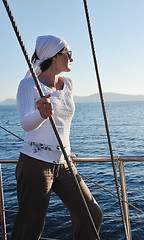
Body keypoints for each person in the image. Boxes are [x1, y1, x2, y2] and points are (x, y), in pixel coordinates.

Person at [11, 35, 103, 240]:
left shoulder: (68, 84)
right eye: (68, 54)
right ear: (54, 57)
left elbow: (64, 124)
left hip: (64, 163)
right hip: (35, 163)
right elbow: (26, 124)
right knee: (31, 226)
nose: (72, 58)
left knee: (92, 214)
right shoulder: (29, 85)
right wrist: (40, 114)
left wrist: (66, 151)